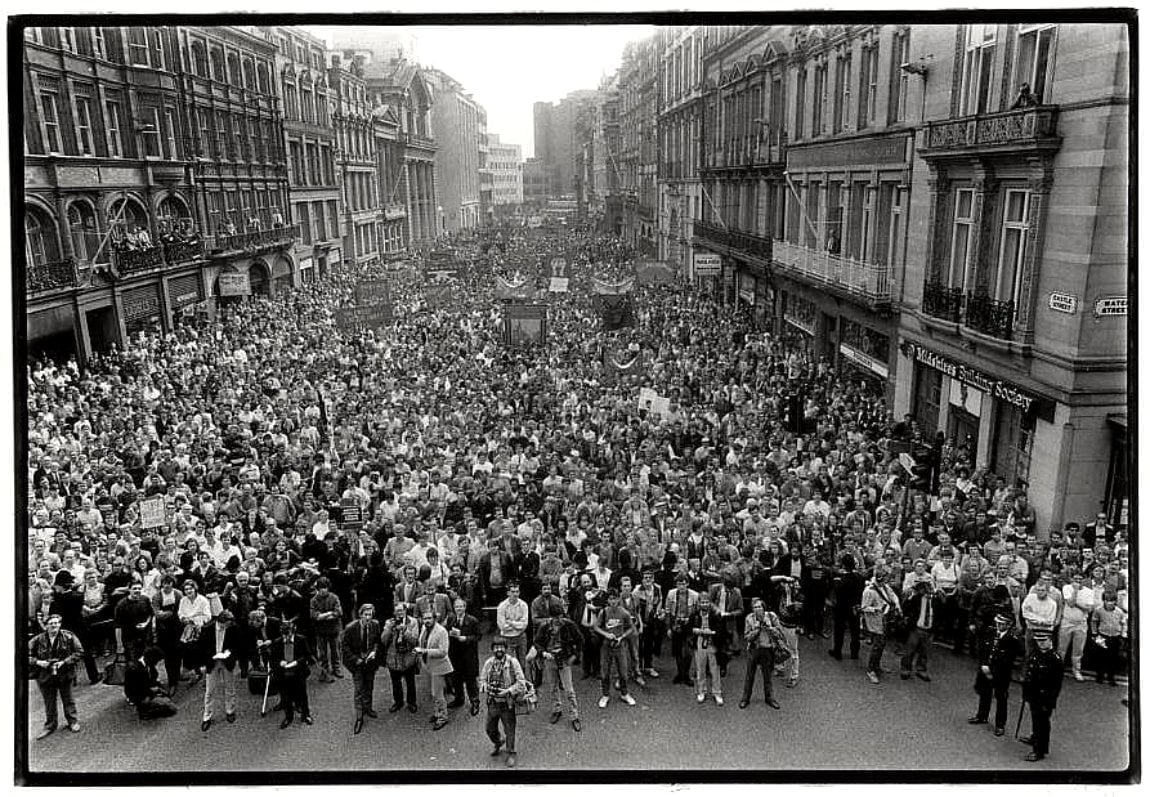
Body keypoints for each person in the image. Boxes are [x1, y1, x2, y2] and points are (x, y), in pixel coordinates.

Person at [28, 614, 85, 739]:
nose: (54, 625)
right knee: (49, 702)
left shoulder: (69, 636)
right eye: (51, 623)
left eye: (56, 623)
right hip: (45, 675)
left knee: (68, 699)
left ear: (60, 624)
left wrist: (65, 662)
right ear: (46, 625)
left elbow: (79, 652)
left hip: (64, 673)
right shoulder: (37, 639)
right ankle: (50, 726)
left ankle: (73, 721)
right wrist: (38, 662)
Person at [532, 601, 583, 731]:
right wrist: (543, 653)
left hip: (564, 659)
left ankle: (574, 715)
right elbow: (537, 642)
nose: (559, 620)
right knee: (553, 687)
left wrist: (575, 656)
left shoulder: (569, 625)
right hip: (550, 659)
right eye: (556, 617)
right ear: (551, 617)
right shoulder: (544, 626)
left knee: (569, 690)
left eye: (560, 616)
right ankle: (557, 709)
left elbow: (580, 640)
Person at [968, 611, 1020, 736]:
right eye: (997, 623)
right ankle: (982, 716)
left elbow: (1007, 659)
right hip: (986, 670)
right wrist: (984, 665)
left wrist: (992, 671)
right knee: (984, 693)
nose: (998, 626)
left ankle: (1000, 725)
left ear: (1008, 625)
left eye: (1002, 624)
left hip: (1000, 674)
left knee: (1001, 698)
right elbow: (982, 649)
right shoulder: (990, 632)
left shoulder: (1012, 640)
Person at [479, 636, 527, 768]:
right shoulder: (489, 663)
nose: (498, 650)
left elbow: (521, 683)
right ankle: (498, 741)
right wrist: (483, 685)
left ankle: (511, 753)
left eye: (501, 647)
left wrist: (507, 691)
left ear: (505, 649)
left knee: (509, 729)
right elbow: (482, 679)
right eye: (496, 647)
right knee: (489, 728)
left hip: (507, 703)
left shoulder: (513, 662)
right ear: (492, 649)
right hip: (493, 702)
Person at [1020, 628, 1063, 762]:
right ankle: (1034, 738)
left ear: (1051, 640)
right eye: (1038, 641)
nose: (1041, 643)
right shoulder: (1035, 654)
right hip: (1033, 694)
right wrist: (1026, 691)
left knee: (1042, 723)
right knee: (1036, 720)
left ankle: (1039, 751)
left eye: (1044, 641)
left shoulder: (1055, 659)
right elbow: (1030, 675)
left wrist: (1049, 702)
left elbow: (1056, 685)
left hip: (1045, 698)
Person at [197, 609, 241, 731]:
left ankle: (230, 711)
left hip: (227, 661)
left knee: (229, 687)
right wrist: (205, 662)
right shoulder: (207, 629)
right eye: (226, 624)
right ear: (220, 622)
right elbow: (201, 648)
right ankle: (207, 716)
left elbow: (237, 645)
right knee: (210, 690)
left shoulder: (233, 628)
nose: (227, 627)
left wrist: (230, 652)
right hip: (212, 662)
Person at [341, 603, 381, 734]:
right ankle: (359, 717)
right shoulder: (351, 628)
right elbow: (345, 647)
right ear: (360, 615)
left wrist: (374, 651)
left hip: (370, 662)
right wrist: (355, 659)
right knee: (359, 690)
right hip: (357, 663)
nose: (368, 618)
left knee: (369, 686)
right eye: (366, 615)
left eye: (370, 615)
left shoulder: (375, 625)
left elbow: (376, 641)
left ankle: (368, 708)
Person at [594, 588, 638, 708]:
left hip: (620, 646)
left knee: (623, 673)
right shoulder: (603, 612)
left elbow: (631, 628)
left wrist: (621, 637)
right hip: (606, 646)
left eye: (615, 598)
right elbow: (596, 627)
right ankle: (605, 695)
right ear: (608, 600)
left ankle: (624, 693)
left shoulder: (624, 613)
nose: (613, 601)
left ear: (619, 599)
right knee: (605, 672)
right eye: (610, 599)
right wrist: (607, 635)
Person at [270, 616, 314, 728]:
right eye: (284, 635)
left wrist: (296, 662)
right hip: (283, 674)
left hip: (298, 672)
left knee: (302, 695)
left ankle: (306, 714)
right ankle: (288, 717)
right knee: (285, 696)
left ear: (293, 631)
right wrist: (280, 662)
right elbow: (273, 658)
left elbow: (307, 656)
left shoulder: (301, 640)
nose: (286, 638)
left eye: (288, 635)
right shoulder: (277, 642)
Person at [860, 566, 901, 684]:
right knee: (877, 646)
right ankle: (871, 669)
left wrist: (897, 605)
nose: (887, 582)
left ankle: (877, 666)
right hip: (877, 621)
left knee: (882, 644)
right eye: (885, 580)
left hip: (885, 619)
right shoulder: (869, 591)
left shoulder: (884, 586)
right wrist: (876, 609)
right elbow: (864, 607)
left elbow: (892, 595)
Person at [740, 597, 782, 709]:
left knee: (767, 676)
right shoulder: (749, 618)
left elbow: (779, 634)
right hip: (754, 649)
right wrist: (756, 630)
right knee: (749, 675)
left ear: (763, 608)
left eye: (759, 607)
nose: (757, 609)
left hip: (767, 649)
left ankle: (769, 698)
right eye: (755, 607)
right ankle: (745, 698)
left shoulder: (771, 616)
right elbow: (747, 637)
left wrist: (770, 628)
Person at [416, 608, 454, 730]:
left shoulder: (441, 631)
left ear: (434, 619)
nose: (426, 621)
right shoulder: (424, 628)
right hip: (427, 665)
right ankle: (437, 712)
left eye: (429, 618)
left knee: (437, 694)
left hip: (439, 666)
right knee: (433, 692)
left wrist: (425, 651)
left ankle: (443, 717)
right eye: (425, 618)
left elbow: (443, 651)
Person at [444, 598, 482, 715]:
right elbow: (446, 630)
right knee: (456, 679)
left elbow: (478, 636)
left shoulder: (472, 620)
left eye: (461, 606)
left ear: (465, 607)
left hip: (468, 655)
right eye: (457, 607)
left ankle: (475, 702)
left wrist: (466, 638)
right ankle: (459, 699)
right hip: (455, 654)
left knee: (471, 680)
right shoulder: (451, 618)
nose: (459, 609)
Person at [380, 603, 420, 713]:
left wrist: (405, 630)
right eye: (397, 611)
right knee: (395, 682)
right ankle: (398, 702)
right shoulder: (389, 622)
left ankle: (411, 703)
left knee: (410, 682)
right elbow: (383, 640)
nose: (399, 613)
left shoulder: (413, 622)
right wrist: (389, 629)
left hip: (408, 657)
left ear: (405, 611)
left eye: (401, 611)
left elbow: (415, 640)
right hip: (393, 657)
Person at [688, 593, 726, 705]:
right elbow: (689, 628)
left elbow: (721, 631)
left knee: (715, 669)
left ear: (710, 603)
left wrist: (711, 633)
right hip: (699, 642)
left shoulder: (715, 615)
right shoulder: (694, 615)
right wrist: (697, 631)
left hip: (712, 642)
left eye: (706, 602)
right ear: (699, 603)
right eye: (702, 602)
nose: (704, 604)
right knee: (700, 668)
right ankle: (701, 691)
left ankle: (717, 692)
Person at [123, 646, 179, 720]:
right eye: (156, 661)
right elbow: (138, 688)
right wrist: (154, 692)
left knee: (167, 702)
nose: (156, 664)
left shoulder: (147, 666)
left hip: (146, 690)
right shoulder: (136, 669)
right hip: (139, 695)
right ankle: (145, 711)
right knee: (171, 707)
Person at [900, 580, 940, 681]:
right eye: (926, 590)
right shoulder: (915, 599)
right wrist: (910, 597)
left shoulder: (935, 601)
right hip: (916, 628)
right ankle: (905, 668)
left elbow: (940, 614)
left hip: (929, 629)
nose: (929, 593)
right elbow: (905, 608)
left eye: (930, 590)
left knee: (924, 651)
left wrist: (935, 629)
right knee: (910, 650)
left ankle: (921, 669)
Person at [827, 553, 864, 661]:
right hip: (855, 607)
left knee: (839, 630)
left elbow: (836, 591)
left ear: (843, 565)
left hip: (841, 607)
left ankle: (837, 652)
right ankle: (854, 653)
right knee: (855, 631)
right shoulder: (859, 578)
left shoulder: (840, 580)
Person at [309, 577, 343, 682]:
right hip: (320, 631)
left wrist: (323, 616)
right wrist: (330, 613)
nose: (323, 590)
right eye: (320, 588)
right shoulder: (314, 600)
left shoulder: (334, 597)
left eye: (325, 587)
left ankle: (336, 668)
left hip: (334, 629)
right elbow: (314, 616)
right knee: (322, 653)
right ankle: (325, 671)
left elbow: (339, 613)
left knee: (335, 651)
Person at [495, 579, 530, 666]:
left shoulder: (524, 605)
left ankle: (522, 679)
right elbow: (502, 626)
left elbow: (524, 624)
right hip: (506, 638)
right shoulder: (502, 606)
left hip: (521, 636)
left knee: (522, 663)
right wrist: (517, 624)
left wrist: (511, 623)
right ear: (508, 593)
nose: (515, 594)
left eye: (517, 592)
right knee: (508, 663)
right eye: (513, 592)